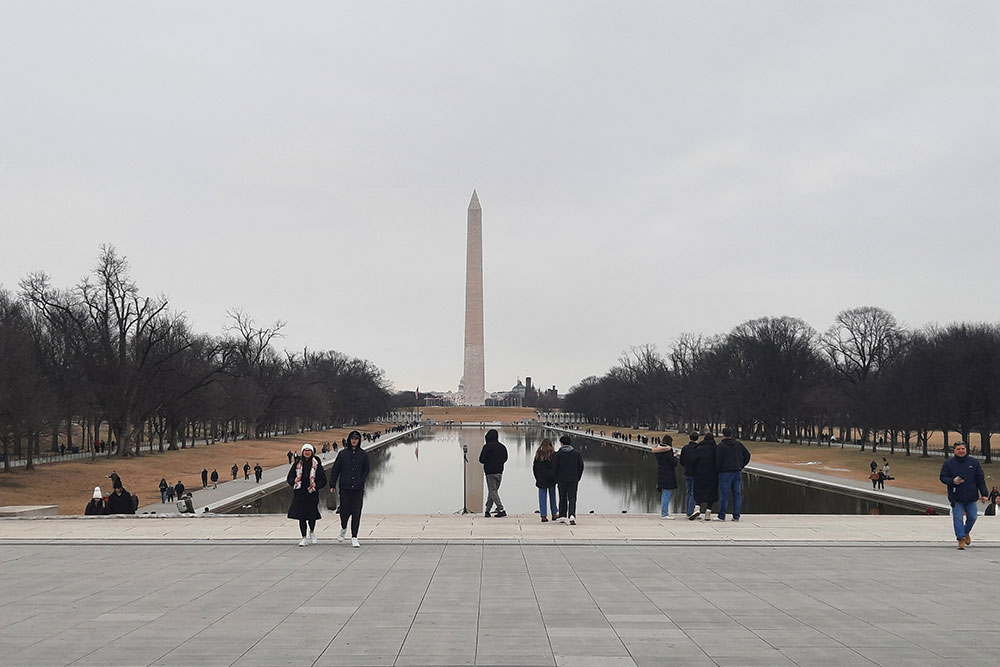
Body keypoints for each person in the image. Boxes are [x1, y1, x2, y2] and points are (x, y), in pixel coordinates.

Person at [940, 441, 988, 549]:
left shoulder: (974, 463)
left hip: (971, 496)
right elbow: (943, 477)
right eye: (958, 449)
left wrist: (984, 494)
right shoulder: (948, 463)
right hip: (956, 496)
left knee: (972, 517)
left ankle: (966, 532)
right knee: (958, 518)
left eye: (962, 449)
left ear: (966, 450)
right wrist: (953, 481)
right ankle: (960, 539)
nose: (961, 451)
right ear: (954, 451)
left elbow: (980, 479)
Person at [329, 430, 370, 547]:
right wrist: (332, 485)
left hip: (357, 489)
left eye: (356, 439)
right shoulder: (342, 454)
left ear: (359, 440)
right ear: (349, 440)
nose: (354, 441)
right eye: (352, 439)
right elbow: (335, 470)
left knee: (356, 513)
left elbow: (366, 469)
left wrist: (361, 480)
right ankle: (343, 528)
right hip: (345, 488)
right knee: (344, 512)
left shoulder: (363, 454)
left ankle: (354, 536)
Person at [286, 443, 327, 546]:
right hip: (300, 493)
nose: (307, 452)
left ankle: (312, 531)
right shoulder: (297, 464)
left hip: (312, 493)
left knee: (312, 515)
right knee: (302, 516)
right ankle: (303, 537)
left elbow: (323, 480)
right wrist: (294, 480)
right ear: (302, 452)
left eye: (309, 451)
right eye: (305, 451)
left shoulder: (316, 463)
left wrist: (316, 485)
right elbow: (289, 478)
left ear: (312, 452)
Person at [715, 428, 751, 522]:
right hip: (737, 471)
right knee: (737, 494)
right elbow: (747, 455)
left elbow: (717, 460)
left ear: (723, 435)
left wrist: (718, 470)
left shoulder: (721, 446)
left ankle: (722, 515)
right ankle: (736, 515)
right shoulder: (738, 444)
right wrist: (741, 465)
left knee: (724, 495)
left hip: (725, 472)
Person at [553, 435, 584, 525]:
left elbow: (554, 468)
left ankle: (562, 515)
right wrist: (578, 477)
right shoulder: (576, 454)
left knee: (562, 497)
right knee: (572, 497)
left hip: (561, 479)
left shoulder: (558, 454)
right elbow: (581, 467)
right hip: (573, 479)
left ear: (562, 443)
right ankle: (572, 515)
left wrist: (557, 478)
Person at [688, 432, 718, 521]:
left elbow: (692, 462)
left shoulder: (698, 449)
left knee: (698, 491)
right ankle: (708, 512)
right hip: (712, 474)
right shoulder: (715, 449)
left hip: (700, 473)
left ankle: (697, 508)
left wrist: (692, 471)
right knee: (711, 493)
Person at [479, 429, 508, 518]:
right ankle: (487, 510)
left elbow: (481, 460)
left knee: (492, 491)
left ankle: (501, 509)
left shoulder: (487, 447)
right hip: (499, 471)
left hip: (489, 472)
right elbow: (505, 458)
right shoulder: (502, 447)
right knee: (493, 491)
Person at [651, 435, 678, 519]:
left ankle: (664, 512)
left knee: (664, 494)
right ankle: (664, 513)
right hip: (668, 474)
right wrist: (675, 457)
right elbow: (672, 463)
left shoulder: (658, 451)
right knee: (666, 494)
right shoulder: (668, 451)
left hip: (661, 472)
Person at [532, 438, 557, 522]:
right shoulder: (553, 454)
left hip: (541, 478)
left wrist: (537, 477)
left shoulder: (538, 454)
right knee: (552, 496)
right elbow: (556, 467)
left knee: (542, 497)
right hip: (551, 478)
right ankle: (554, 513)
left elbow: (535, 467)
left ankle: (543, 515)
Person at [679, 432, 699, 517]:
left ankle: (688, 510)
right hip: (695, 473)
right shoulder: (698, 448)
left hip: (687, 472)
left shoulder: (685, 448)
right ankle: (690, 512)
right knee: (693, 493)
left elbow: (681, 461)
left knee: (688, 492)